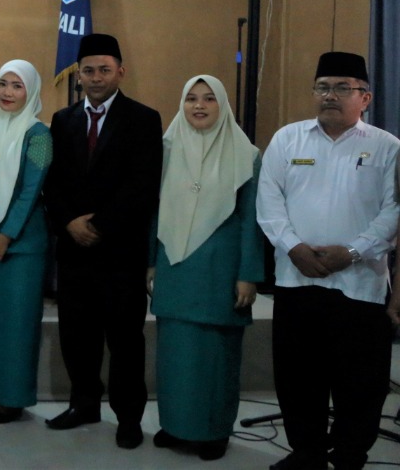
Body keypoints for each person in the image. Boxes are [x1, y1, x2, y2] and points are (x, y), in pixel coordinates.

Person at [257, 52, 399, 470]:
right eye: (323, 87)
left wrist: (352, 252)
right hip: (296, 280)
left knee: (362, 382)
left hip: (360, 285)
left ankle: (351, 456)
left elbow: (394, 211)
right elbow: (269, 202)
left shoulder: (387, 147)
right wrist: (294, 248)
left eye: (342, 87)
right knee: (298, 378)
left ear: (365, 97)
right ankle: (307, 454)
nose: (330, 95)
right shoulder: (288, 139)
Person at [42, 33, 162, 449]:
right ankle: (84, 404)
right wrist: (69, 223)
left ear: (120, 72)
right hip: (74, 251)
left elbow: (142, 186)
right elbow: (53, 182)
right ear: (79, 74)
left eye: (104, 70)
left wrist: (100, 225)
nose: (96, 77)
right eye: (89, 70)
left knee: (125, 340)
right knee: (78, 336)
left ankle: (128, 417)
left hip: (120, 252)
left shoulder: (143, 119)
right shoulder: (63, 120)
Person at [147, 75, 262, 461]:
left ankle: (214, 431)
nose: (199, 105)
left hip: (220, 269)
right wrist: (150, 261)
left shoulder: (247, 155)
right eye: (192, 98)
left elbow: (251, 220)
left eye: (209, 99)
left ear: (223, 105)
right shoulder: (166, 148)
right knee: (175, 354)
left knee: (215, 356)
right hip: (174, 264)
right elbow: (154, 211)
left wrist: (248, 274)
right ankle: (175, 425)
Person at [0, 60, 52, 425]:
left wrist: (5, 236)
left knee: (19, 326)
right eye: (3, 83)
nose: (7, 92)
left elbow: (32, 191)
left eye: (17, 86)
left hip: (22, 248)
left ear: (30, 92)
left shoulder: (40, 136)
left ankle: (14, 398)